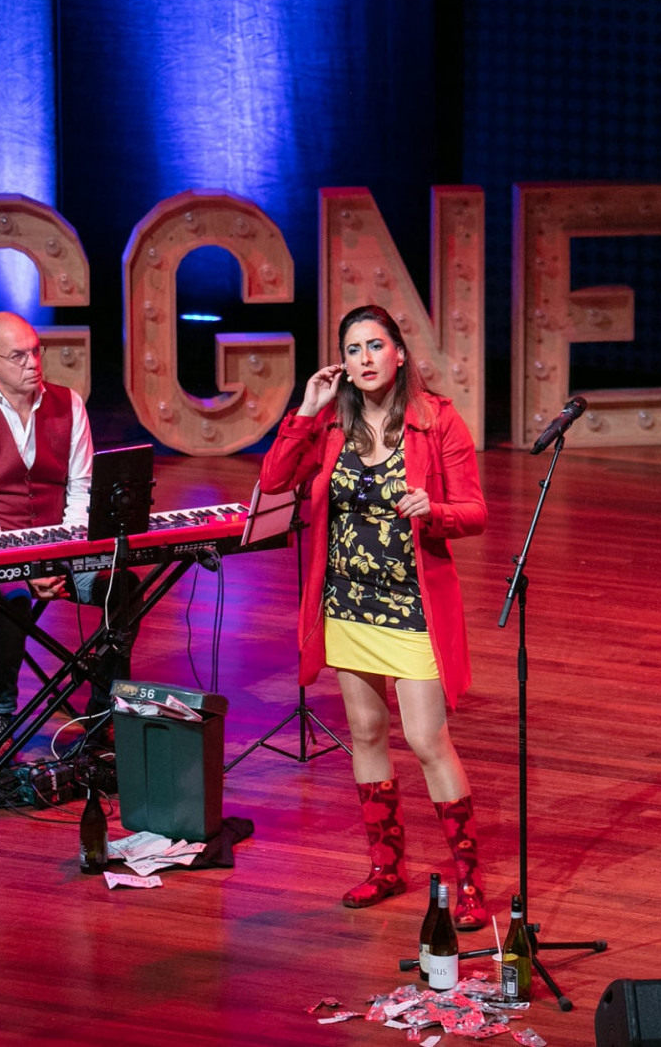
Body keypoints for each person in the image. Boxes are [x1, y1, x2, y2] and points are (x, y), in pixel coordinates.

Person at [257, 304, 490, 927]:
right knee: (365, 733)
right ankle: (386, 868)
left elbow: (475, 511)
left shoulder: (436, 420)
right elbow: (274, 481)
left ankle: (469, 880)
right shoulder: (331, 423)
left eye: (376, 345)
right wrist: (305, 410)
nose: (365, 358)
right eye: (353, 349)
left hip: (411, 605)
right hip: (346, 603)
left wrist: (434, 510)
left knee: (425, 739)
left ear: (400, 354)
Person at [0, 311, 138, 759]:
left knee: (122, 587)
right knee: (13, 597)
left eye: (35, 351)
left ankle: (103, 709)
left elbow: (82, 491)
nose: (32, 362)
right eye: (18, 356)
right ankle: (2, 713)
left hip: (61, 547)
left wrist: (60, 556)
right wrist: (26, 567)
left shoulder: (69, 404)